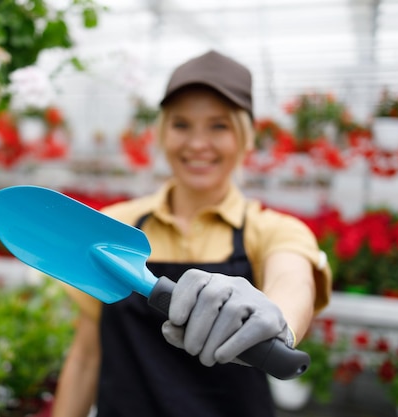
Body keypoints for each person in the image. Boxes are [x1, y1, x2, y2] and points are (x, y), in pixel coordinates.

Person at [51, 50, 332, 417]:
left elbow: (293, 281)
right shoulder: (115, 227)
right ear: (162, 133)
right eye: (182, 124)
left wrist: (280, 321)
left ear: (246, 137)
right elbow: (87, 355)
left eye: (219, 126)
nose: (198, 144)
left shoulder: (272, 230)